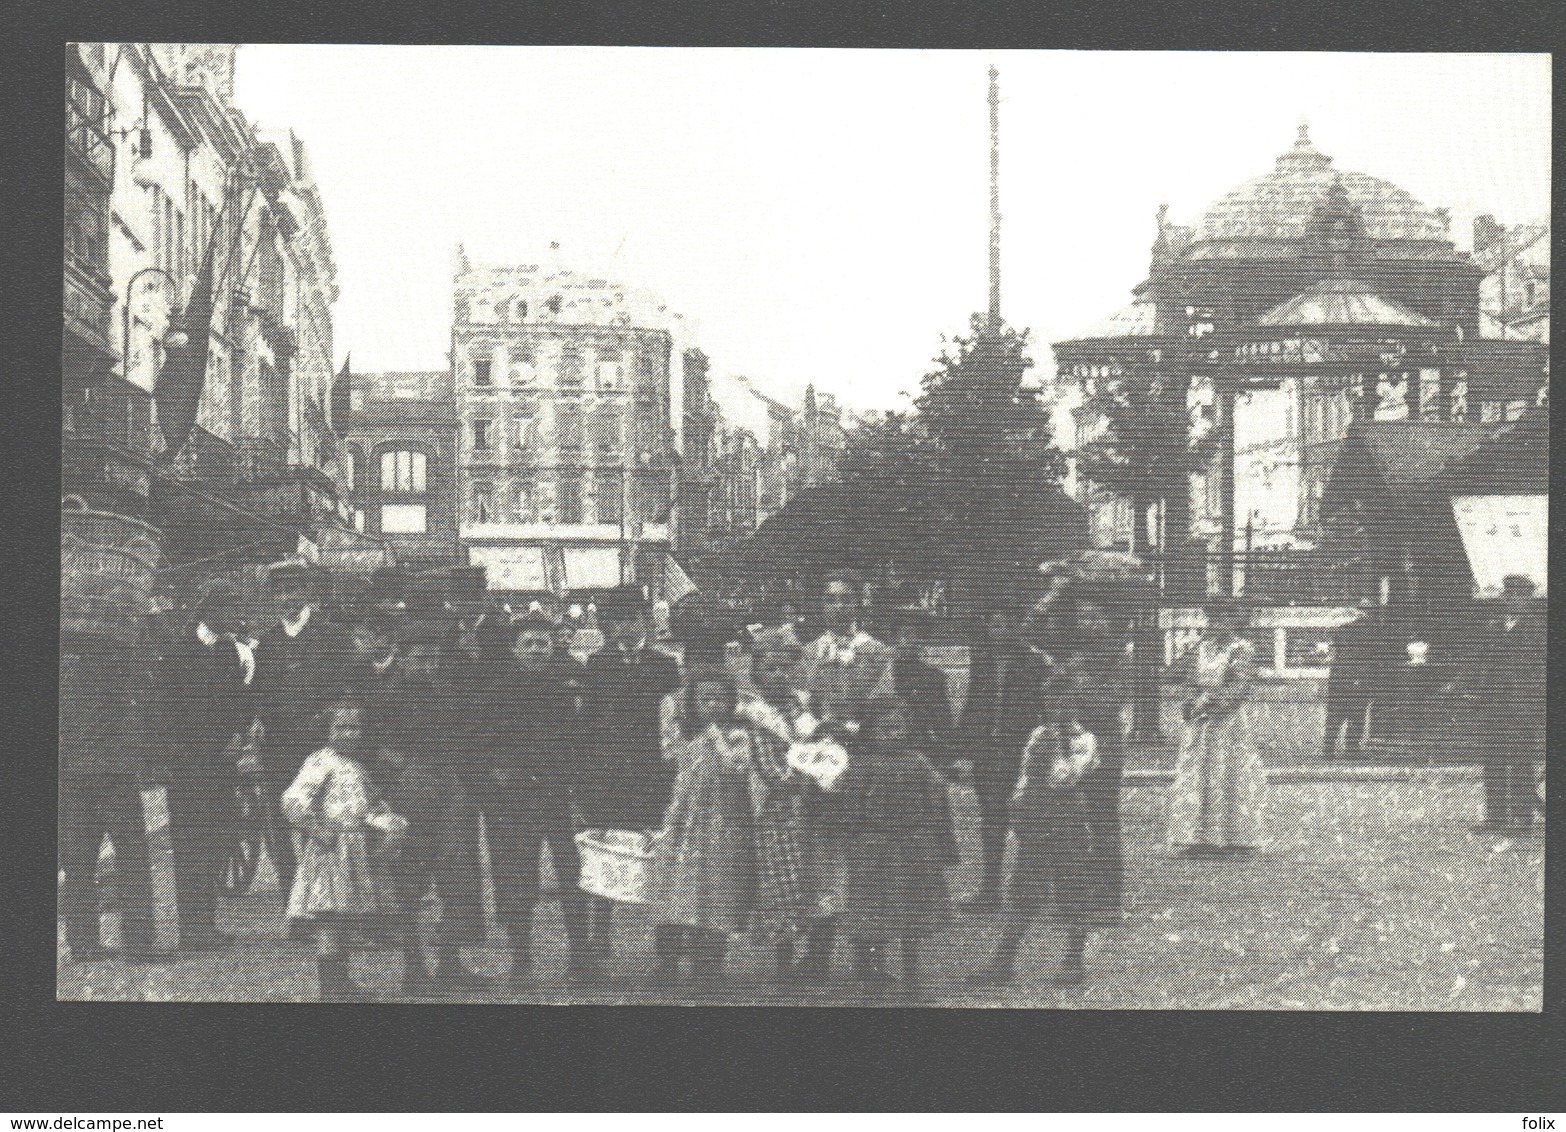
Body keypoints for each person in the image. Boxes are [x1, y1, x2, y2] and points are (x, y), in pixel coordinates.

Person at [967, 657, 1101, 989]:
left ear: (1076, 703)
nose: (1056, 706)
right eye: (1051, 700)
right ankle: (1004, 961)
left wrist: (1055, 748)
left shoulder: (1084, 740)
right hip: (1035, 821)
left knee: (1072, 888)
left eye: (1064, 700)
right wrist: (1017, 806)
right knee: (1023, 890)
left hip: (1067, 822)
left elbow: (1064, 777)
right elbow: (1026, 776)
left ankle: (1073, 959)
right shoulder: (1039, 733)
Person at [373, 616, 487, 998]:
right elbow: (374, 745)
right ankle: (414, 966)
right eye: (419, 659)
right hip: (410, 790)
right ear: (402, 658)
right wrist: (403, 768)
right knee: (409, 879)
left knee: (456, 874)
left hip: (450, 786)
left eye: (433, 659)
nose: (427, 666)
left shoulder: (445, 689)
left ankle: (451, 962)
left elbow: (463, 734)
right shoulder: (386, 695)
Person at [479, 609, 592, 991]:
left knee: (573, 876)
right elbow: (482, 743)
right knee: (517, 877)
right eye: (527, 643)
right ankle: (521, 956)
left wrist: (579, 786)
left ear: (553, 644)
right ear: (513, 648)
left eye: (542, 642)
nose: (535, 650)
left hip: (562, 793)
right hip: (515, 798)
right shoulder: (497, 688)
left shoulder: (572, 679)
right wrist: (497, 772)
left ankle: (581, 955)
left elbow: (586, 737)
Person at [793, 570, 895, 982]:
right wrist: (812, 729)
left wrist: (850, 728)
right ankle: (817, 954)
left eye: (846, 599)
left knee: (866, 863)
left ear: (859, 604)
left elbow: (884, 707)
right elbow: (798, 703)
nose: (838, 607)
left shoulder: (876, 653)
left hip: (862, 765)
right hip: (819, 766)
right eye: (831, 599)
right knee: (821, 861)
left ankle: (869, 959)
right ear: (822, 605)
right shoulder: (811, 652)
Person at [578, 585, 683, 978]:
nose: (624, 627)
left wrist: (669, 771)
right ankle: (598, 941)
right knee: (604, 856)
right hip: (608, 776)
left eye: (632, 619)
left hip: (653, 774)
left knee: (659, 857)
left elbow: (674, 725)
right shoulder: (597, 665)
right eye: (616, 621)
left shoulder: (664, 666)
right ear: (608, 625)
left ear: (645, 622)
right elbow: (588, 725)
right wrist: (588, 779)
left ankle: (666, 947)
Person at [149, 581, 256, 951]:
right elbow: (163, 713)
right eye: (230, 610)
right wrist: (178, 756)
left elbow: (239, 700)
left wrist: (239, 735)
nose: (236, 617)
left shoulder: (229, 652)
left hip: (222, 766)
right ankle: (192, 930)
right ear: (210, 611)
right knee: (189, 846)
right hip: (188, 768)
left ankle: (206, 923)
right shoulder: (178, 653)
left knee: (219, 839)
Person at [835, 694, 957, 999]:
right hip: (874, 848)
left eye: (900, 728)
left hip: (914, 846)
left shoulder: (919, 762)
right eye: (886, 730)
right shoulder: (862, 766)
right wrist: (852, 837)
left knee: (912, 909)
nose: (895, 735)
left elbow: (937, 800)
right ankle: (869, 967)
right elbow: (848, 807)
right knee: (871, 909)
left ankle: (910, 967)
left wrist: (942, 841)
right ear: (871, 733)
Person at [281, 699, 402, 1001]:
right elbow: (293, 799)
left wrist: (391, 824)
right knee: (329, 918)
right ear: (328, 730)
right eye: (341, 727)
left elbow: (368, 807)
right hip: (330, 850)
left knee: (347, 917)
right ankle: (330, 986)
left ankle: (342, 980)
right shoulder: (320, 762)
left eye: (354, 728)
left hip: (355, 847)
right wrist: (315, 829)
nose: (349, 734)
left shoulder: (357, 767)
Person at [647, 666, 756, 992]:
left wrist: (718, 737)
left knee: (720, 889)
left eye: (720, 698)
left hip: (725, 820)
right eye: (705, 698)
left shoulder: (738, 734)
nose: (713, 705)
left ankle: (709, 961)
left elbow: (738, 766)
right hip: (685, 818)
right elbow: (671, 758)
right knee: (673, 886)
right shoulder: (682, 732)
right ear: (692, 702)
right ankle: (667, 959)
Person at [251, 561, 354, 897]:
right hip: (278, 746)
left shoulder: (333, 636)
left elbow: (346, 689)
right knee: (279, 820)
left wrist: (328, 718)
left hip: (319, 745)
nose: (286, 598)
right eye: (279, 592)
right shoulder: (266, 643)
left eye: (292, 589)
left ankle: (326, 898)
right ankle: (292, 895)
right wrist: (258, 721)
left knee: (323, 820)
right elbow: (258, 693)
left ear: (307, 591)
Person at [60, 636, 160, 962]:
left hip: (74, 778)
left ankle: (82, 943)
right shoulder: (116, 668)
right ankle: (139, 945)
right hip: (115, 775)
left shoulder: (65, 674)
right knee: (132, 858)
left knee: (79, 862)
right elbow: (134, 721)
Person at [959, 604, 1057, 908]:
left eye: (1007, 625)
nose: (1000, 632)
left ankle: (1037, 890)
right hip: (987, 749)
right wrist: (962, 749)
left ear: (1018, 627)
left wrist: (1050, 744)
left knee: (1029, 817)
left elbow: (1047, 706)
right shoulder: (983, 659)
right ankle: (990, 888)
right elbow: (974, 702)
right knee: (991, 819)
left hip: (1021, 749)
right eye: (995, 625)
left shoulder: (1036, 661)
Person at [734, 628, 814, 983]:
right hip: (773, 808)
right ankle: (782, 961)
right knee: (779, 883)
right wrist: (798, 774)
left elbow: (817, 741)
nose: (779, 676)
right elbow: (765, 765)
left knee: (806, 882)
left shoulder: (801, 705)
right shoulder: (752, 713)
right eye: (770, 669)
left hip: (807, 807)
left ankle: (807, 957)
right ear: (755, 673)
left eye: (784, 669)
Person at [1166, 597, 1267, 855]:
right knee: (1197, 772)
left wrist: (1212, 702)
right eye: (1212, 619)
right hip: (1200, 721)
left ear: (1233, 620)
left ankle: (1230, 836)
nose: (1217, 624)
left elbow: (1242, 684)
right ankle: (1197, 836)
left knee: (1227, 771)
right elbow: (1189, 679)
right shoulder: (1202, 647)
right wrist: (1191, 701)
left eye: (1223, 619)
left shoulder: (1242, 649)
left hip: (1227, 721)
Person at [1466, 574, 1546, 832]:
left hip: (1522, 706)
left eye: (1519, 597)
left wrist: (1536, 701)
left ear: (1528, 600)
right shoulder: (1493, 627)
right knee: (1493, 759)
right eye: (1509, 596)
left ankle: (1522, 820)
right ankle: (1496, 816)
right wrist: (1470, 689)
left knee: (1521, 760)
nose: (1513, 601)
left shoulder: (1540, 630)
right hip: (1493, 704)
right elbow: (1481, 664)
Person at [885, 606, 957, 776]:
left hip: (919, 751)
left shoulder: (934, 677)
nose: (910, 642)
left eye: (918, 636)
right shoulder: (881, 669)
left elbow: (942, 726)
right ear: (894, 638)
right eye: (905, 635)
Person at [1322, 601, 1383, 759]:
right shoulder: (1374, 631)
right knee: (1356, 714)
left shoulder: (1343, 629)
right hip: (1359, 676)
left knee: (1335, 713)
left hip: (1339, 675)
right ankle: (1351, 748)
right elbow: (1372, 657)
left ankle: (1328, 748)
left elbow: (1335, 650)